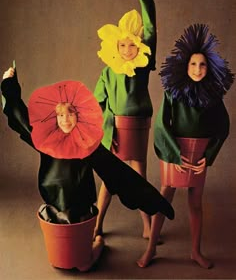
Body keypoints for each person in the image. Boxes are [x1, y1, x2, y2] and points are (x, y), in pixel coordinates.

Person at [1, 64, 174, 270]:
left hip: (81, 209)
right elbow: (19, 115)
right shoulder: (45, 140)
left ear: (79, 115)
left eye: (71, 113)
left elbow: (118, 172)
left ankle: (97, 245)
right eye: (61, 115)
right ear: (54, 118)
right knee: (59, 260)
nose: (66, 119)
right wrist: (9, 84)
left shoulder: (86, 144)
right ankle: (91, 246)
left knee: (84, 265)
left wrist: (152, 199)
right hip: (54, 211)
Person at [137, 24, 234, 269]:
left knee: (195, 203)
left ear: (209, 67)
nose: (198, 69)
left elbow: (222, 127)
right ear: (185, 66)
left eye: (202, 65)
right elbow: (161, 125)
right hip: (174, 151)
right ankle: (150, 249)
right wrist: (175, 153)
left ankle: (195, 251)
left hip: (198, 153)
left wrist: (208, 155)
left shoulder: (213, 96)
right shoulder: (173, 92)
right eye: (193, 64)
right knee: (163, 198)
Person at [94, 0, 157, 239]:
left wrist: (145, 1)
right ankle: (97, 223)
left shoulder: (142, 66)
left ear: (138, 46)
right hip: (116, 128)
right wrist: (97, 126)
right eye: (122, 46)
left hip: (139, 124)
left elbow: (151, 32)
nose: (127, 50)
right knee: (110, 179)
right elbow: (97, 100)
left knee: (139, 177)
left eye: (132, 45)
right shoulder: (109, 71)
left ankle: (147, 225)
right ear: (116, 47)